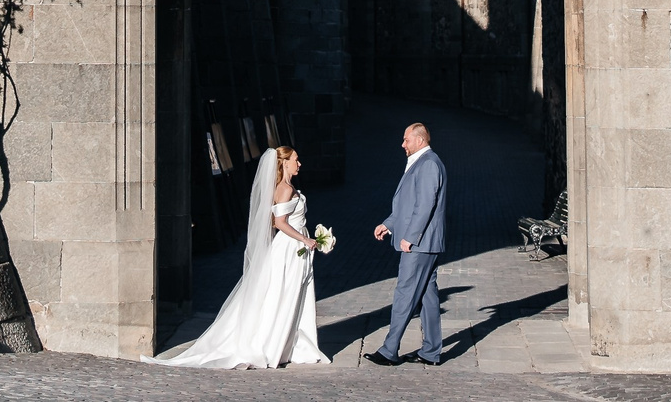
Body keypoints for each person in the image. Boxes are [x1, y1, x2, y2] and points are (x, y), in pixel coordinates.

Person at [146, 145, 328, 369]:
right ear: (284, 163)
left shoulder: (287, 187)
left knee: (290, 293)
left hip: (294, 247)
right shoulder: (285, 189)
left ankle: (287, 344)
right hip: (290, 247)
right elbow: (280, 223)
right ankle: (273, 344)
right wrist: (305, 239)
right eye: (295, 160)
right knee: (282, 292)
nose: (299, 164)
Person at [365, 121, 448, 367]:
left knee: (405, 293)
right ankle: (431, 352)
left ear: (420, 140)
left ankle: (389, 350)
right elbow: (408, 203)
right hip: (425, 242)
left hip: (420, 243)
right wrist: (388, 224)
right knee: (428, 297)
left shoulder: (429, 163)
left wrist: (410, 237)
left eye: (406, 139)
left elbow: (425, 206)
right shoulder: (422, 162)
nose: (403, 144)